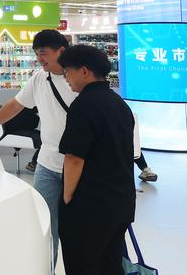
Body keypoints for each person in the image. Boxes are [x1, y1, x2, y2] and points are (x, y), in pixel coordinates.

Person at [0, 29, 75, 267]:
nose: (39, 59)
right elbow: (16, 105)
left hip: (78, 166)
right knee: (43, 224)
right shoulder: (39, 79)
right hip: (47, 165)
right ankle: (47, 269)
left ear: (61, 51)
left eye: (43, 53)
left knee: (77, 228)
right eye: (37, 54)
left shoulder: (78, 80)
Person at [57, 45, 135, 275]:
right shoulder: (119, 104)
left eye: (67, 72)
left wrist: (67, 198)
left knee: (82, 264)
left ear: (84, 71)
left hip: (90, 206)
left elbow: (74, 158)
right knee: (110, 263)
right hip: (120, 201)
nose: (66, 78)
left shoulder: (83, 105)